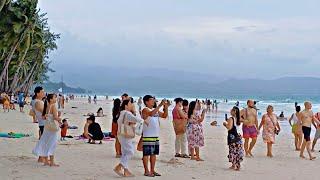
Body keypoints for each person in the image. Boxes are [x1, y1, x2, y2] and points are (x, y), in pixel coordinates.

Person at [113, 99, 145, 177]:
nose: (132, 105)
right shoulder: (127, 113)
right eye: (130, 104)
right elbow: (137, 119)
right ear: (126, 105)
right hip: (125, 135)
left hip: (121, 134)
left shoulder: (121, 113)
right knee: (130, 152)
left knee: (125, 153)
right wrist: (144, 120)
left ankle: (126, 171)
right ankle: (119, 167)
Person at [141, 95, 169, 177]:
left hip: (155, 135)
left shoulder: (154, 110)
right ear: (146, 102)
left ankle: (152, 170)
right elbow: (151, 114)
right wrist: (160, 105)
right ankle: (146, 171)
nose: (153, 101)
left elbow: (164, 115)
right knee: (146, 154)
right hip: (147, 135)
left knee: (153, 154)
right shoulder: (145, 109)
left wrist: (166, 106)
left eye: (154, 100)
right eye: (151, 100)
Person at [33, 94, 61, 167]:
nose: (56, 98)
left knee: (45, 143)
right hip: (52, 128)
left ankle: (46, 161)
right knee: (52, 144)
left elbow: (43, 117)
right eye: (55, 97)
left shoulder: (47, 105)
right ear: (51, 99)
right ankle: (52, 162)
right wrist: (59, 119)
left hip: (47, 127)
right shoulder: (53, 106)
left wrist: (49, 117)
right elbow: (55, 117)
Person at [223, 106, 243, 171]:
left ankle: (234, 165)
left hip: (233, 137)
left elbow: (229, 127)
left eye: (231, 110)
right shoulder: (239, 118)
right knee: (237, 151)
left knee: (233, 151)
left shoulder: (231, 118)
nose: (230, 111)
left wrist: (225, 124)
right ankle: (237, 165)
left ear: (234, 111)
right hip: (239, 137)